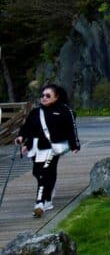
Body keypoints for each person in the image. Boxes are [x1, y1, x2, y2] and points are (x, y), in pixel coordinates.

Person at [14, 83, 80, 218]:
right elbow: (26, 128)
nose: (44, 98)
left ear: (56, 98)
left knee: (45, 172)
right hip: (36, 147)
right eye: (42, 95)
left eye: (48, 96)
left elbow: (71, 129)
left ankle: (40, 204)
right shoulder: (35, 112)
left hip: (53, 147)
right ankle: (48, 195)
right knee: (37, 172)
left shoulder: (64, 111)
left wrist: (74, 145)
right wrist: (22, 138)